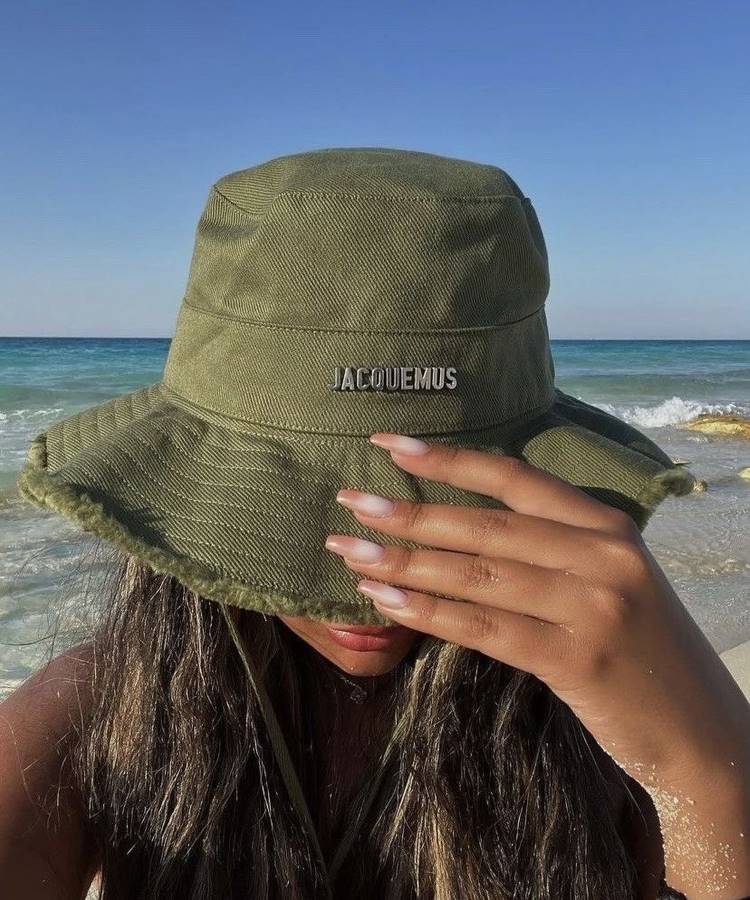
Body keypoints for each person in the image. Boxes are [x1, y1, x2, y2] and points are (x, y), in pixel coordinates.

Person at [2, 147, 748, 900]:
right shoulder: (103, 710)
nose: (373, 576)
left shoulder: (613, 704)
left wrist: (703, 769)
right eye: (313, 519)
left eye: (436, 517)